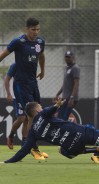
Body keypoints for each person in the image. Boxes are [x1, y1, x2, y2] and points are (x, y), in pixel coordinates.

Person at [1, 99, 99, 164]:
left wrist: (7, 162)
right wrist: (58, 105)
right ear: (36, 111)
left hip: (71, 145)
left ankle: (93, 150)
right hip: (81, 132)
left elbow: (23, 151)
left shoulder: (33, 133)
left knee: (63, 151)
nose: (41, 108)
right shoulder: (43, 114)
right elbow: (51, 109)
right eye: (40, 107)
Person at [0, 17, 48, 160]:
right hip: (21, 84)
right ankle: (32, 147)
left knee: (35, 114)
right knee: (30, 115)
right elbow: (2, 55)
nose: (36, 32)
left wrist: (43, 70)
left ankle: (28, 146)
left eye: (38, 29)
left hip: (33, 83)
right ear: (27, 29)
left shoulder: (40, 42)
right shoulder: (18, 42)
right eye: (33, 30)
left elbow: (42, 56)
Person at [4, 63, 28, 149]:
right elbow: (7, 79)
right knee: (21, 118)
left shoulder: (30, 64)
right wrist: (8, 94)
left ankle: (24, 143)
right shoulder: (15, 65)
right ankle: (11, 135)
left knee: (27, 119)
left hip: (28, 95)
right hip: (17, 96)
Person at [53, 51, 80, 120]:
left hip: (70, 98)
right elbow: (65, 84)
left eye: (69, 57)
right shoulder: (67, 68)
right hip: (65, 98)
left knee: (64, 118)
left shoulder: (75, 68)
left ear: (73, 58)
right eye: (66, 57)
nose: (67, 59)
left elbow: (76, 83)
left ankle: (64, 130)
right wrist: (57, 94)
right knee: (60, 117)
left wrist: (72, 97)